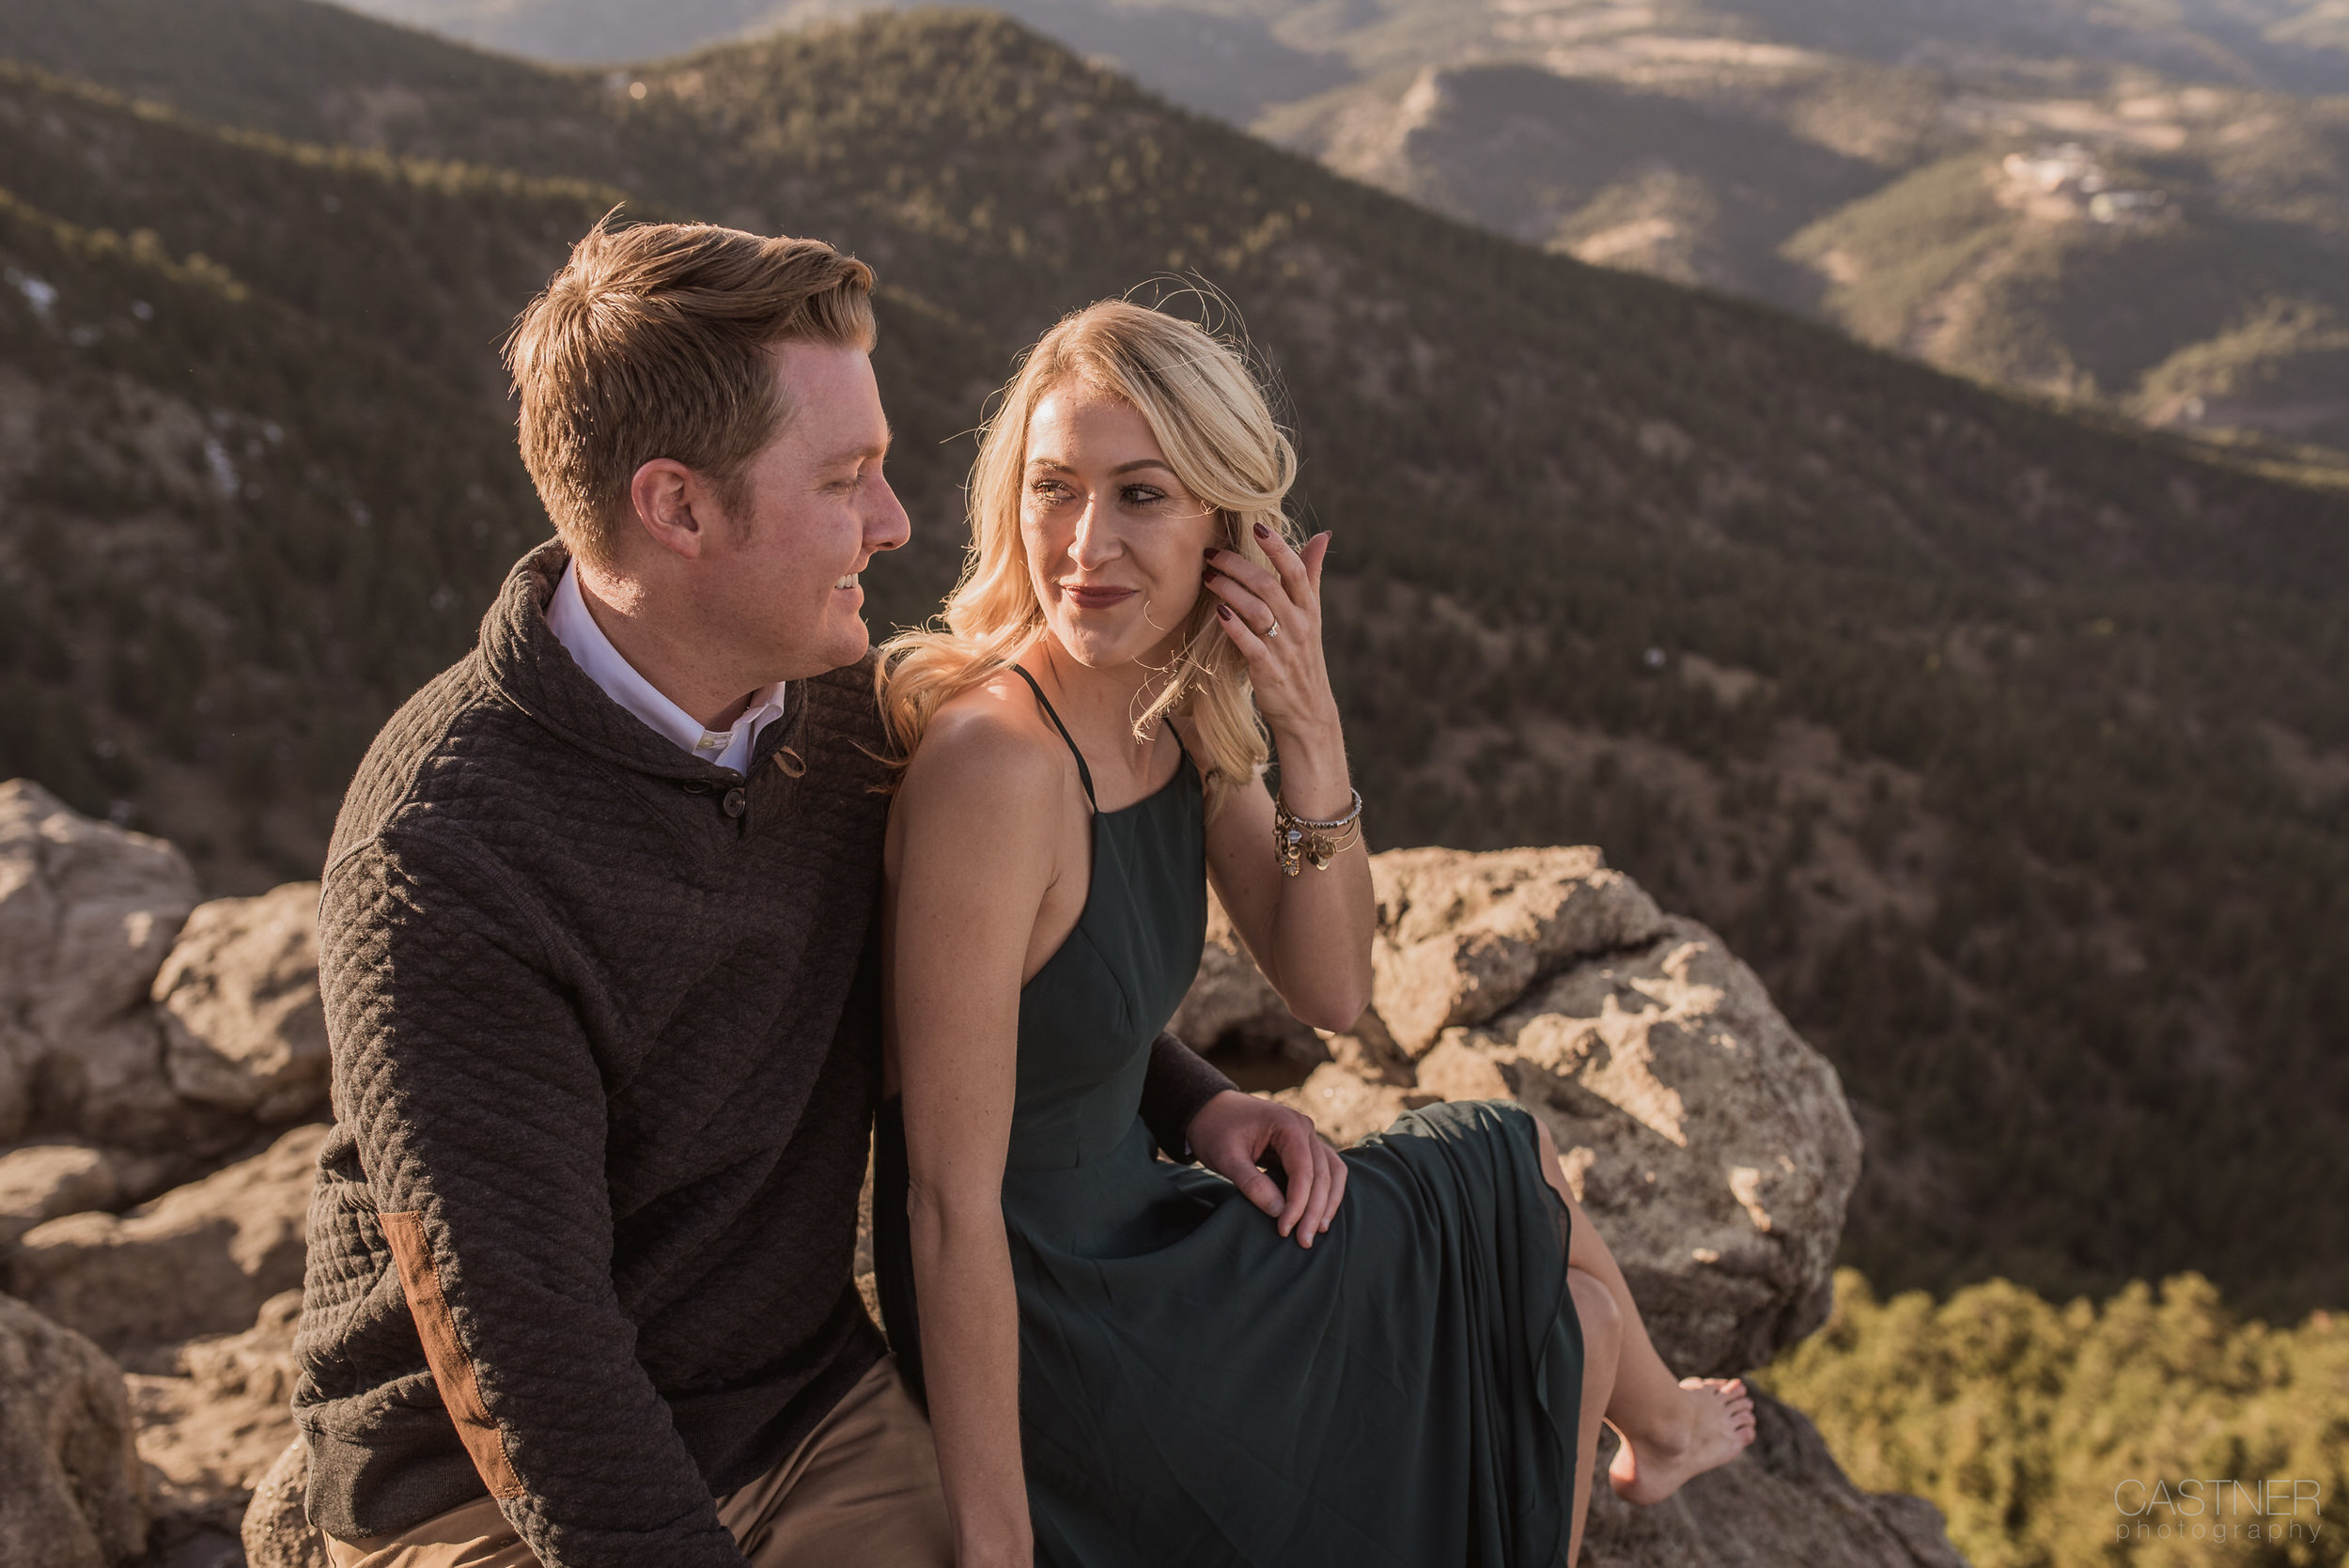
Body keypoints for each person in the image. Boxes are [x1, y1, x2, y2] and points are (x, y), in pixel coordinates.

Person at [295, 221, 1325, 1568]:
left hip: (798, 1411)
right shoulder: (442, 863)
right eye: (847, 480)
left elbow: (973, 968)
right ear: (678, 508)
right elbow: (524, 1348)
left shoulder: (839, 705)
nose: (896, 523)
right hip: (485, 1490)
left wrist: (1184, 1095)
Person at [876, 300, 1760, 1568]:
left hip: (1143, 1242)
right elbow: (944, 1199)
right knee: (1513, 1179)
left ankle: (1657, 1431)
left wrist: (1308, 724)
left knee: (1565, 1307)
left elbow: (1334, 986)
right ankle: (1665, 1433)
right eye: (1055, 487)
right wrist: (1000, 1545)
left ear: (1225, 532)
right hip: (1057, 1319)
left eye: (1142, 496)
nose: (1086, 543)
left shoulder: (1169, 709)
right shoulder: (998, 769)